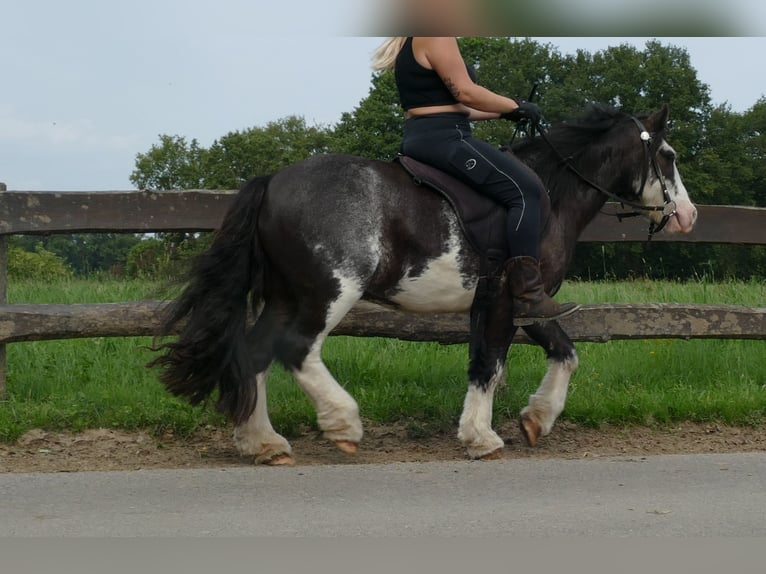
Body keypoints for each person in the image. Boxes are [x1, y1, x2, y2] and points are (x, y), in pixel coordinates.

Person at [372, 37, 579, 325]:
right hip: (447, 138)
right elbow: (467, 93)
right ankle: (528, 294)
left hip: (427, 134)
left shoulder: (413, 38)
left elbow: (459, 106)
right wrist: (515, 104)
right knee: (528, 191)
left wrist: (508, 112)